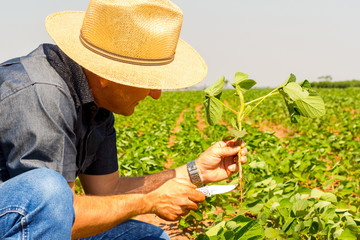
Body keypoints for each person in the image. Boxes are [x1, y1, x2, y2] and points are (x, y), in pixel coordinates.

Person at [0, 0, 247, 239]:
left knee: (146, 237)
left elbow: (107, 190)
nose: (156, 94)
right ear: (107, 74)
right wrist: (148, 202)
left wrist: (194, 172)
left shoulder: (97, 103)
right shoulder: (43, 93)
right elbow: (55, 213)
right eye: (149, 82)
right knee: (49, 189)